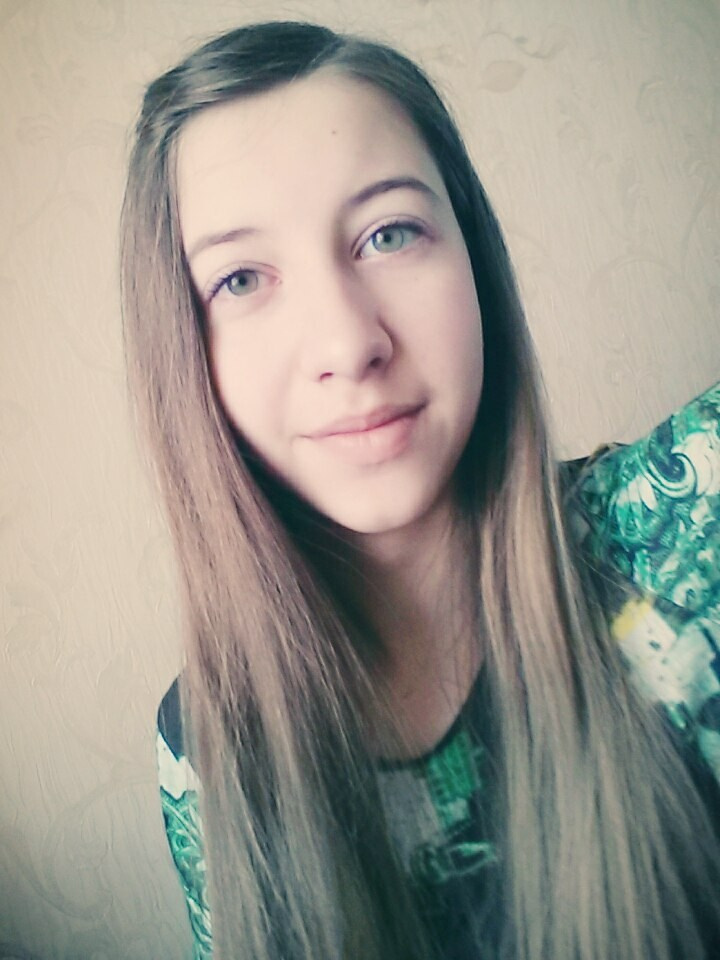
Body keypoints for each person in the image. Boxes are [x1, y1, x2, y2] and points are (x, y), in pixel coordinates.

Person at [120, 20, 720, 960]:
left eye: (389, 233)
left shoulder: (686, 523)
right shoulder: (206, 744)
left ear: (474, 257)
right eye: (239, 279)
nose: (346, 342)